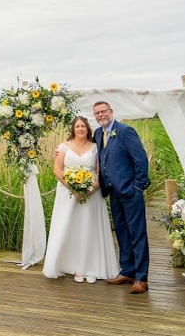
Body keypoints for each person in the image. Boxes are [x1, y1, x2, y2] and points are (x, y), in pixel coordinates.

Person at [42, 116, 119, 282]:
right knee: (70, 227)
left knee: (89, 228)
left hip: (92, 193)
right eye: (77, 126)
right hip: (67, 193)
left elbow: (99, 171)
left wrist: (90, 190)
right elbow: (57, 169)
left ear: (87, 128)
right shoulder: (63, 146)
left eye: (83, 126)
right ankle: (74, 267)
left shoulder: (95, 147)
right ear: (73, 129)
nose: (80, 129)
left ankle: (91, 268)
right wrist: (72, 188)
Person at [93, 100, 151, 294]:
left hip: (130, 192)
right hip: (113, 193)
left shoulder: (126, 131)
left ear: (111, 111)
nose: (101, 115)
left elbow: (140, 160)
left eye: (103, 111)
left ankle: (141, 278)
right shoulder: (98, 133)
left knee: (137, 234)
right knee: (122, 232)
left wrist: (137, 186)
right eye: (97, 113)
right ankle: (127, 271)